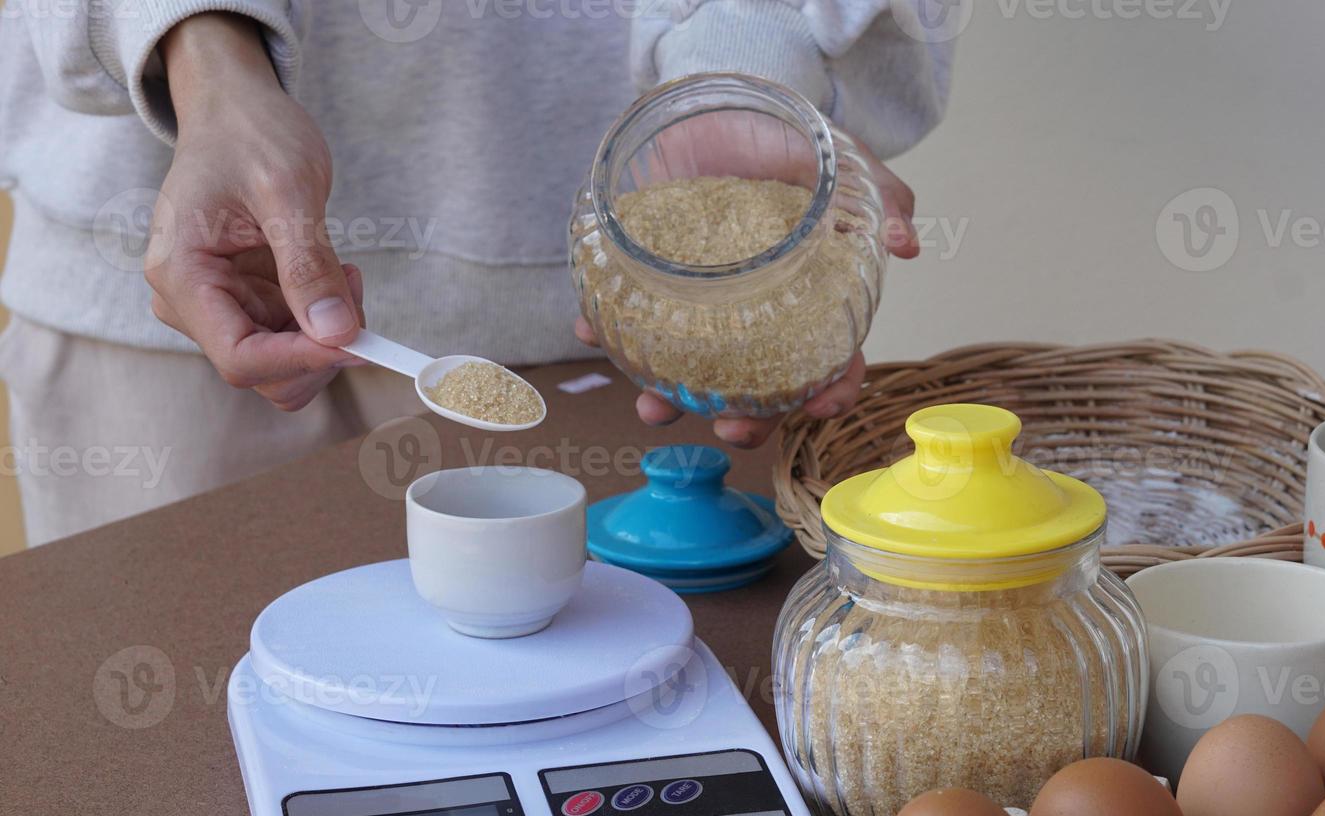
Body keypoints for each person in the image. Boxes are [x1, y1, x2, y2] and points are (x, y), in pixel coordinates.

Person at [0, 1, 951, 545]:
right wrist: (203, 58)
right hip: (176, 266)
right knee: (159, 770)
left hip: (607, 308)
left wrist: (741, 60)